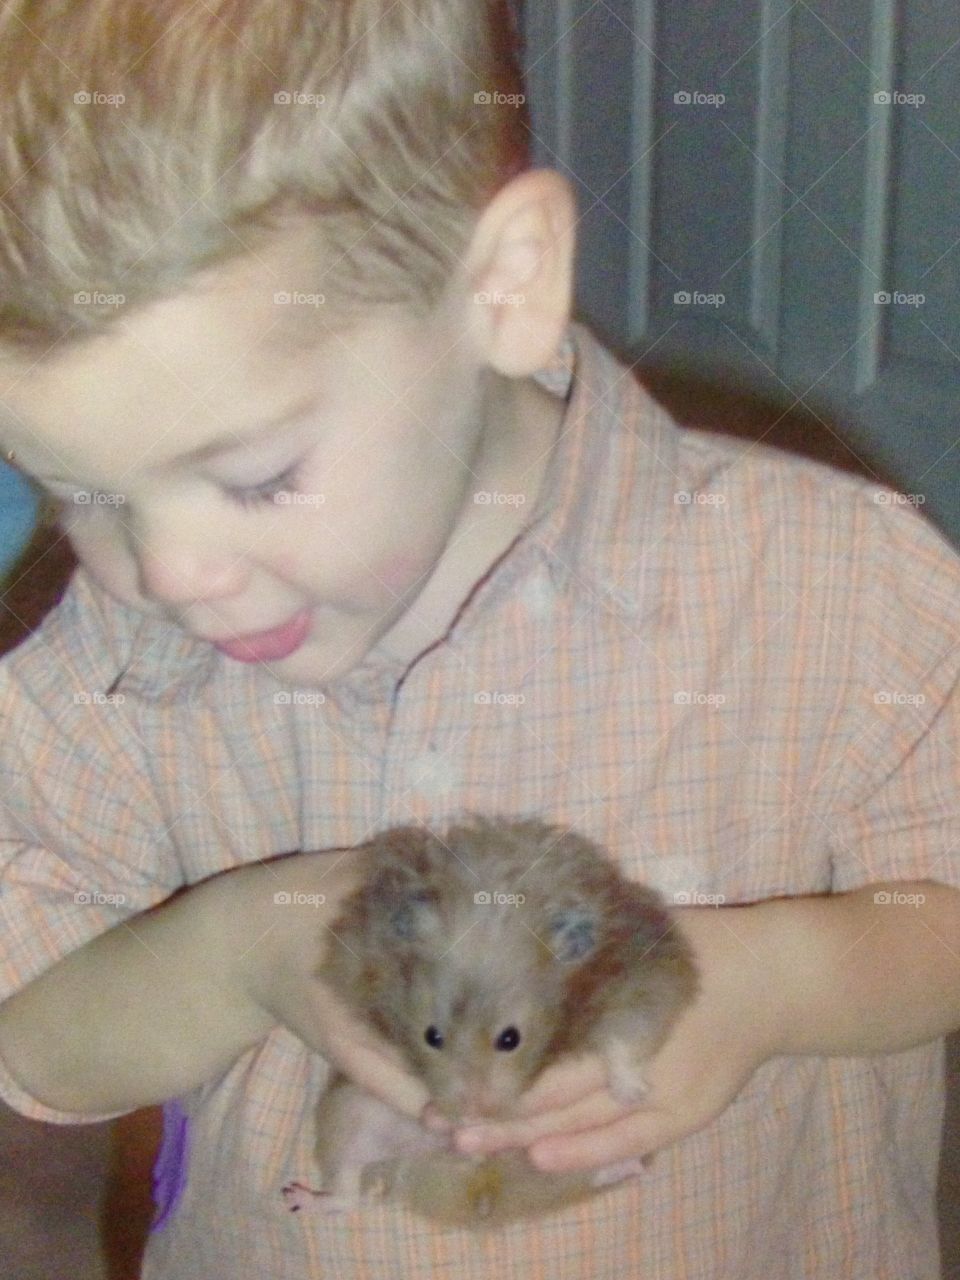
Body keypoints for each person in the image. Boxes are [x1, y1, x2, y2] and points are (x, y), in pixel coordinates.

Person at [0, 2, 958, 1277]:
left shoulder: (840, 584)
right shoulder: (104, 671)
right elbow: (30, 1041)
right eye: (90, 492)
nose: (170, 573)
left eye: (258, 475)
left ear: (502, 290)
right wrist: (235, 953)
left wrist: (779, 979)